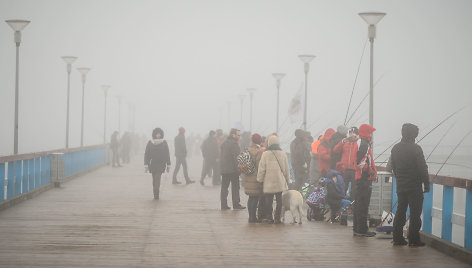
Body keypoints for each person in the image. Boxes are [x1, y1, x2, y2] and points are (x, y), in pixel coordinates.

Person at [390, 123, 430, 247]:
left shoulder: (395, 148)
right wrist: (426, 183)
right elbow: (422, 168)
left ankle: (397, 238)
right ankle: (413, 239)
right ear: (414, 134)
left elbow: (394, 167)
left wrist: (400, 177)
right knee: (415, 213)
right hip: (414, 186)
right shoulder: (416, 148)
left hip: (401, 185)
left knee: (400, 211)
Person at [257, 135, 291, 224]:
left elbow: (261, 169)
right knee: (279, 200)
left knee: (269, 201)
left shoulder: (265, 154)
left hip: (269, 181)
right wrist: (288, 180)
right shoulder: (283, 153)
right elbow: (286, 169)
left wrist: (260, 180)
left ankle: (269, 217)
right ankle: (277, 218)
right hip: (279, 181)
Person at [352, 124, 377, 237]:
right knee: (363, 205)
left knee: (358, 204)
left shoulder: (359, 143)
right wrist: (371, 171)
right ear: (367, 133)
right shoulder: (364, 144)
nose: (371, 135)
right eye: (370, 132)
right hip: (364, 178)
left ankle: (357, 228)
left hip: (359, 178)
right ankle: (362, 230)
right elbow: (360, 162)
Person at [220, 128, 245, 210]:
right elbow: (237, 158)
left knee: (224, 187)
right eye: (238, 135)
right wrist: (239, 170)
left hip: (224, 169)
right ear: (233, 135)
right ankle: (236, 204)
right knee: (235, 187)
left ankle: (223, 205)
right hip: (233, 170)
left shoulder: (224, 143)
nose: (239, 136)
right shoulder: (234, 144)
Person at [144, 128, 171, 200]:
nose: (158, 135)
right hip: (152, 164)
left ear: (161, 134)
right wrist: (146, 164)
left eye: (159, 134)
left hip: (161, 164)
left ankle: (156, 195)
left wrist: (168, 164)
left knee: (157, 179)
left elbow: (167, 154)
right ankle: (155, 193)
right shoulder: (150, 142)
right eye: (157, 133)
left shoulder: (164, 142)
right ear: (154, 134)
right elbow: (147, 154)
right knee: (154, 180)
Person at [243, 133, 264, 223]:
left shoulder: (247, 150)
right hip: (255, 177)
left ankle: (250, 216)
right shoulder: (258, 151)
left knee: (251, 197)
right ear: (259, 141)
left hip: (248, 176)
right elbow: (259, 166)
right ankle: (253, 217)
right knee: (255, 198)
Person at [333, 127, 359, 196]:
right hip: (344, 169)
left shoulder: (358, 143)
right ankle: (342, 202)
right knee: (343, 188)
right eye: (350, 133)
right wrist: (342, 142)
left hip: (355, 169)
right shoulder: (345, 142)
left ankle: (352, 203)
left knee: (354, 189)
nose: (352, 135)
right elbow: (335, 150)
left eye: (353, 133)